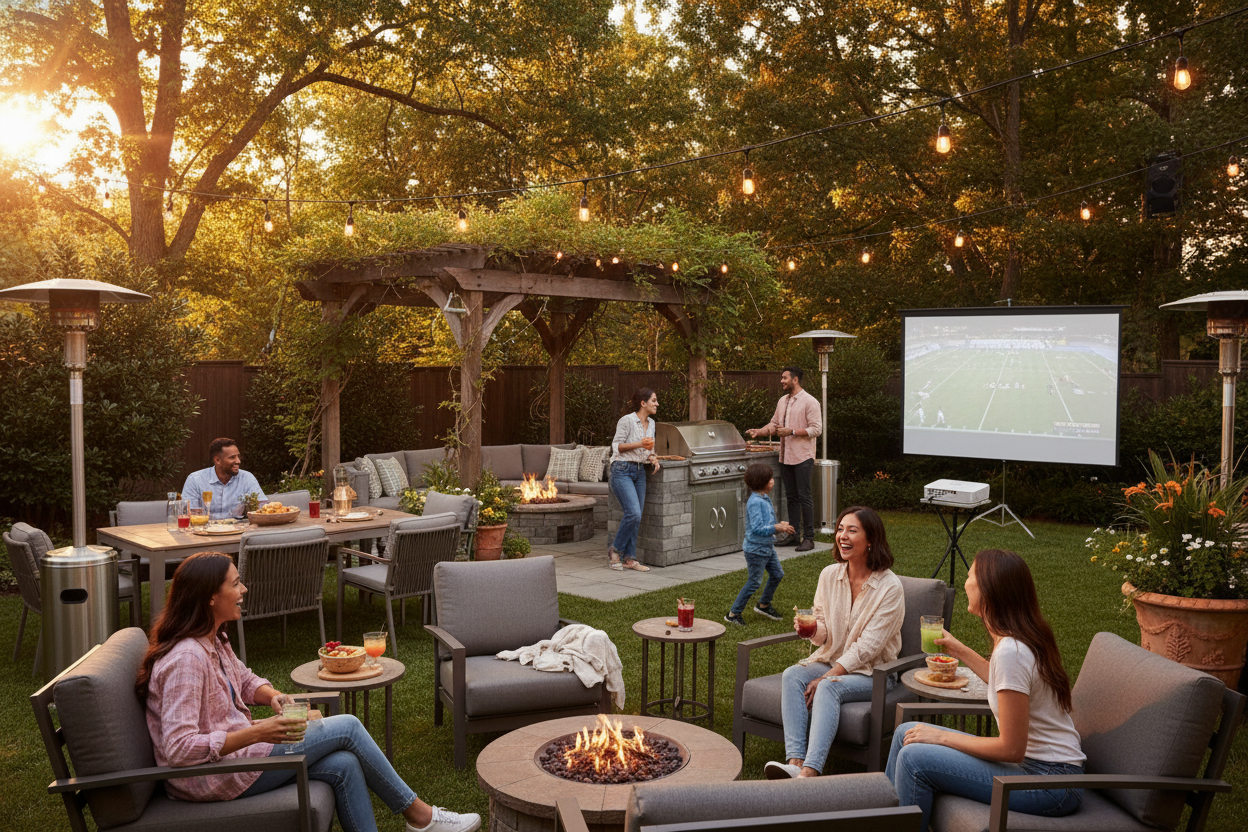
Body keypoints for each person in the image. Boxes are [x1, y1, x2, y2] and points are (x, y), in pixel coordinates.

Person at [137, 552, 480, 832]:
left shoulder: (213, 637)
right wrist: (259, 732)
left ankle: (418, 820)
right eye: (236, 583)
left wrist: (272, 696)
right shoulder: (187, 658)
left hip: (235, 758)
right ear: (211, 597)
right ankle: (421, 817)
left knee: (344, 763)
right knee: (346, 727)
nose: (243, 590)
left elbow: (243, 680)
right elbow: (180, 749)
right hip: (210, 778)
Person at [886, 549, 1085, 829]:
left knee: (914, 757)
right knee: (905, 732)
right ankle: (884, 819)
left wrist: (940, 736)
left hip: (1050, 782)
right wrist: (959, 649)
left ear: (989, 590)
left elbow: (1012, 748)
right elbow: (1004, 682)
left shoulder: (1011, 652)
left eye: (970, 576)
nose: (966, 583)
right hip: (1043, 769)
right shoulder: (1018, 640)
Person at [765, 506, 904, 779]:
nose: (843, 536)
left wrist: (828, 676)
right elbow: (824, 635)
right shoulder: (829, 575)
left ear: (871, 539)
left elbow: (869, 647)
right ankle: (794, 761)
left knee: (828, 687)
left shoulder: (890, 587)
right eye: (840, 529)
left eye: (852, 530)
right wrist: (814, 629)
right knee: (793, 674)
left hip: (874, 672)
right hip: (832, 658)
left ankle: (810, 773)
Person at [746, 367, 822, 552]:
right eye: (782, 378)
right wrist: (760, 431)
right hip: (785, 456)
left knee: (804, 497)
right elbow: (774, 424)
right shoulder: (782, 401)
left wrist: (792, 431)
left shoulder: (810, 402)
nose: (781, 381)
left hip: (803, 456)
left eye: (784, 378)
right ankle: (793, 536)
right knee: (791, 498)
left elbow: (816, 429)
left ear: (795, 379)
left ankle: (809, 538)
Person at [725, 463, 794, 626]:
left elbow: (766, 523)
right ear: (761, 482)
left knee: (777, 574)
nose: (773, 481)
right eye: (770, 479)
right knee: (754, 581)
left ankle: (763, 605)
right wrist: (776, 527)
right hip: (756, 549)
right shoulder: (755, 502)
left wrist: (779, 525)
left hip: (767, 547)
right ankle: (733, 613)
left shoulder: (764, 497)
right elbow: (757, 529)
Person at [607, 388, 660, 571]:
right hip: (622, 470)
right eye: (654, 400)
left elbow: (649, 448)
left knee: (636, 517)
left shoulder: (652, 423)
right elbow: (617, 446)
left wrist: (653, 457)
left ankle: (630, 559)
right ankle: (615, 551)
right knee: (634, 513)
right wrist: (640, 444)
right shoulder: (627, 420)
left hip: (639, 472)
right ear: (643, 403)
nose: (657, 404)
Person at [182, 437, 266, 521]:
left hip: (238, 530)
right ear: (217, 460)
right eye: (232, 457)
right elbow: (188, 513)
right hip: (205, 530)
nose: (238, 461)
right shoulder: (195, 480)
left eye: (238, 456)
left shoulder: (247, 478)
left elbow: (263, 509)